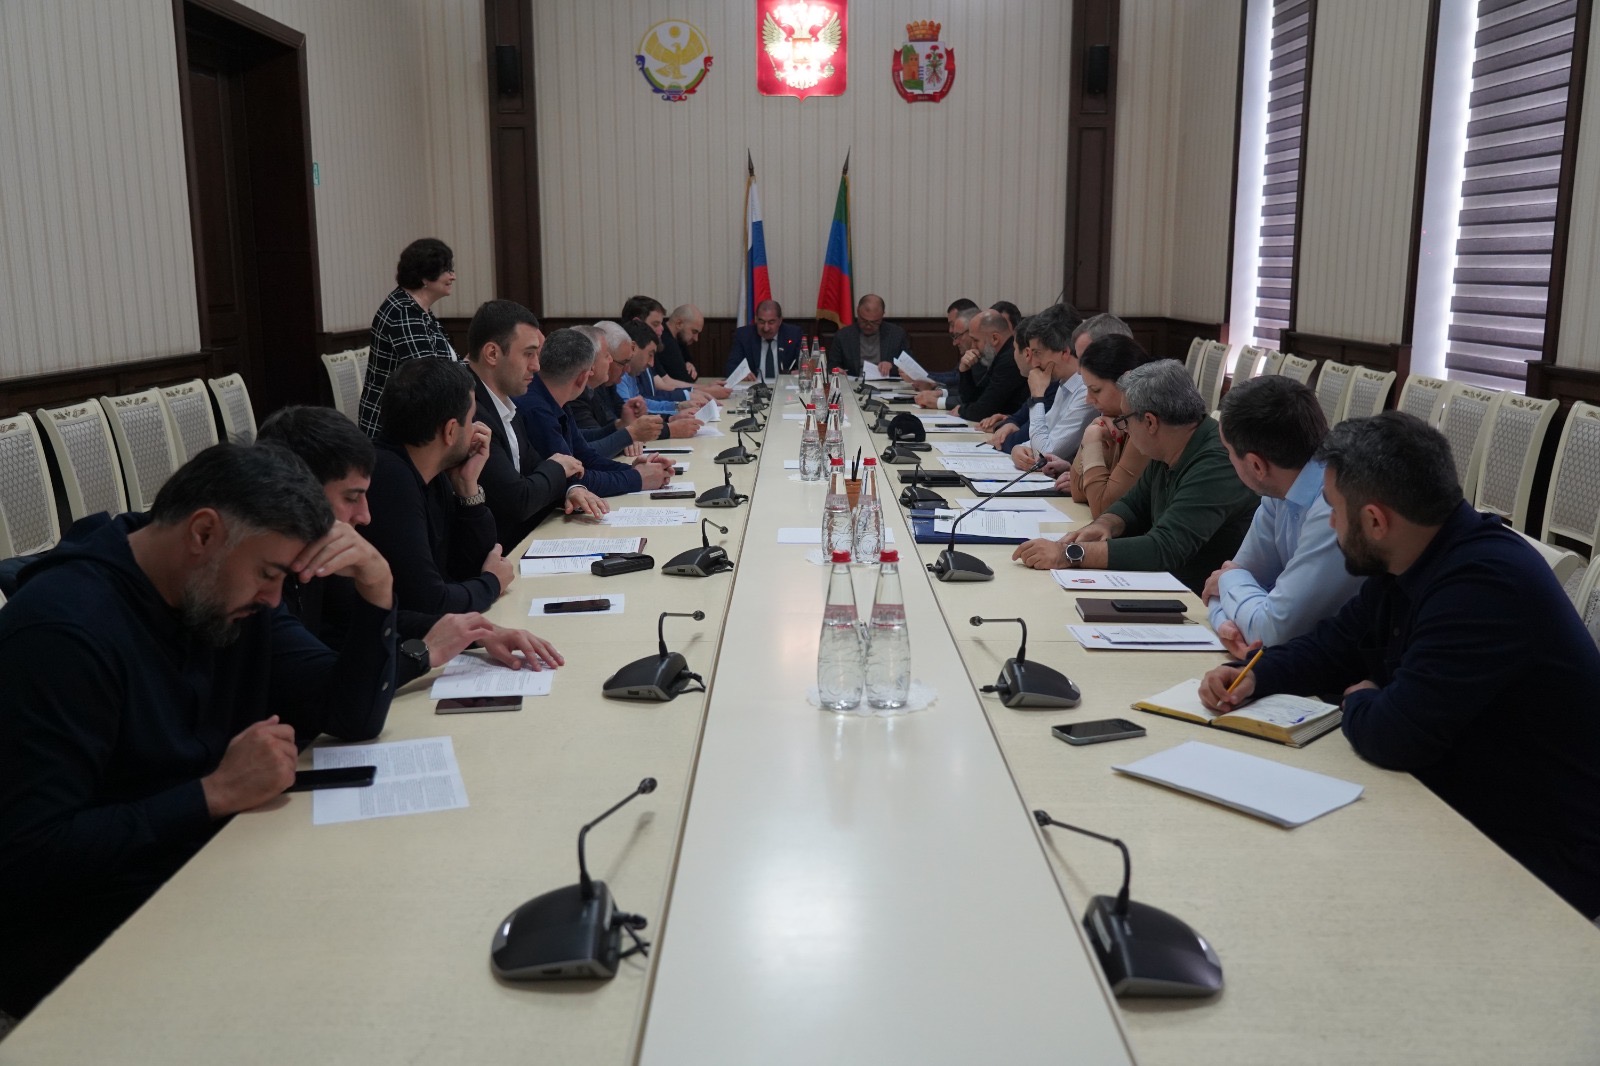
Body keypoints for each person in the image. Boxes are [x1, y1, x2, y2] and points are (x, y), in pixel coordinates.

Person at [0, 444, 397, 1019]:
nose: (274, 598)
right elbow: (30, 856)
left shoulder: (224, 595)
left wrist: (377, 586)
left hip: (209, 876)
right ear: (204, 533)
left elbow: (350, 716)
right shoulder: (62, 633)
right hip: (92, 945)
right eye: (268, 574)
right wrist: (213, 793)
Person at [1198, 412, 1600, 919]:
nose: (1331, 525)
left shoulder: (1482, 587)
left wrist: (1361, 699)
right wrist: (1258, 674)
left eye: (1334, 511)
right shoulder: (1414, 555)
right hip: (1456, 806)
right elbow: (1335, 644)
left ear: (1375, 521)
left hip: (1537, 857)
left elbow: (1394, 736)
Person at [258, 405, 564, 684]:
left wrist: (477, 632)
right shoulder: (265, 582)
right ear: (300, 497)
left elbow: (356, 619)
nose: (365, 516)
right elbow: (328, 692)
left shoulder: (315, 551)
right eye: (351, 498)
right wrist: (423, 651)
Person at [1013, 359, 1257, 592]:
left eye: (1124, 420)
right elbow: (1133, 504)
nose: (1124, 429)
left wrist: (1069, 554)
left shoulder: (1217, 462)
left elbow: (1166, 548)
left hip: (1201, 599)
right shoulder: (1171, 445)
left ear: (1150, 422)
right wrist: (1104, 525)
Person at [1203, 375, 1366, 657]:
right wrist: (1225, 623)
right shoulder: (1277, 491)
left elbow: (1274, 631)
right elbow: (1223, 589)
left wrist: (1231, 585)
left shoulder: (1334, 510)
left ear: (1256, 465)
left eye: (1228, 451)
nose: (1228, 459)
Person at [363, 357, 514, 615]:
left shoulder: (433, 471)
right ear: (451, 430)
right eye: (471, 419)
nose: (477, 429)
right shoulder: (389, 479)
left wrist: (467, 487)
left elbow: (470, 568)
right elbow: (430, 602)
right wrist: (491, 583)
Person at [463, 300, 605, 549]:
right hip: (491, 553)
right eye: (528, 354)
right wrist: (558, 469)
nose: (536, 366)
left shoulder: (506, 403)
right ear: (492, 354)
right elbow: (518, 500)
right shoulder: (470, 410)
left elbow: (534, 465)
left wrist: (570, 489)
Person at [520, 328, 673, 497]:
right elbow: (572, 480)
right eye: (607, 355)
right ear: (583, 377)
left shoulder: (557, 398)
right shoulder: (537, 409)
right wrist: (637, 478)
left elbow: (586, 457)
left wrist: (634, 470)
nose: (611, 360)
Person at [358, 238, 459, 438]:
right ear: (425, 276)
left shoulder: (417, 309)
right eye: (446, 270)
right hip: (390, 429)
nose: (453, 276)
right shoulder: (403, 312)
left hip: (411, 420)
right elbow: (430, 376)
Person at [1010, 309, 1125, 472]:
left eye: (1037, 353)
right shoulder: (1065, 383)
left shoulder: (1086, 391)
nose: (1033, 363)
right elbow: (1045, 436)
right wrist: (1019, 449)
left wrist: (1037, 397)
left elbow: (1045, 453)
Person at [1063, 334, 1157, 517]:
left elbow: (1103, 508)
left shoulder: (1145, 425)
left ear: (1127, 383)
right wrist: (1094, 431)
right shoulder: (1113, 422)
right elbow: (1077, 491)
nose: (1088, 399)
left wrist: (1091, 439)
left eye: (1096, 390)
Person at [826, 293, 909, 377]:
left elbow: (909, 365)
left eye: (874, 322)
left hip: (886, 381)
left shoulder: (896, 334)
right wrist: (836, 370)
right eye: (864, 321)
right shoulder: (843, 335)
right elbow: (832, 364)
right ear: (858, 311)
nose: (868, 326)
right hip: (855, 382)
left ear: (882, 315)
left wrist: (891, 365)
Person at [726, 299, 803, 381]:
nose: (766, 328)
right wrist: (741, 374)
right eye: (761, 322)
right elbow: (731, 367)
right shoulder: (744, 335)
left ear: (780, 321)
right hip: (754, 385)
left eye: (771, 322)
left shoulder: (793, 334)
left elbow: (805, 365)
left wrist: (801, 371)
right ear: (756, 319)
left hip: (784, 385)